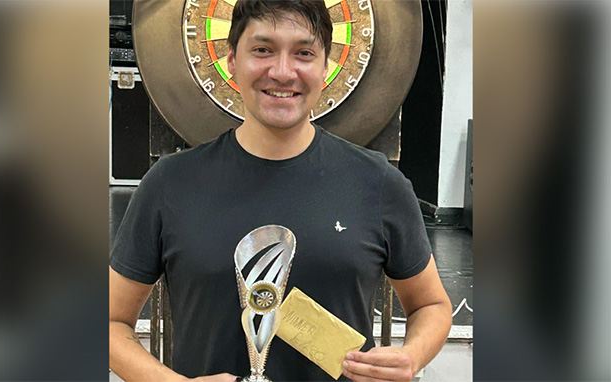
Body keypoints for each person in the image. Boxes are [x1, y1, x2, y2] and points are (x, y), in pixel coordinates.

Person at [109, 1, 452, 381]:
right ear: (232, 61)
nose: (283, 71)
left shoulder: (379, 184)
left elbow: (432, 305)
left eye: (304, 53)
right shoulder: (169, 183)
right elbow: (109, 322)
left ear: (326, 67)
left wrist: (413, 355)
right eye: (263, 50)